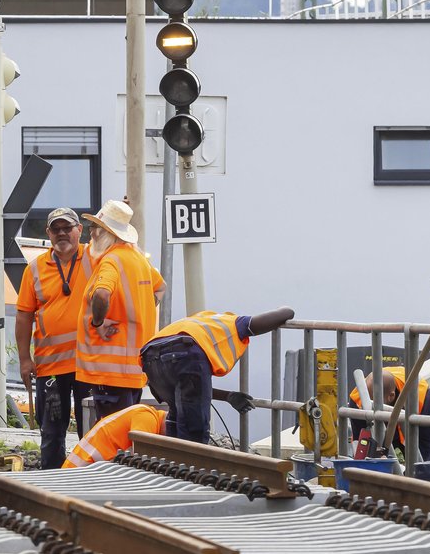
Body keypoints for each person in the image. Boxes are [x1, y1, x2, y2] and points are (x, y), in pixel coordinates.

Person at [141, 308, 295, 444]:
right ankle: (190, 470)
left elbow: (193, 388)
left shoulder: (198, 323)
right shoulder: (233, 324)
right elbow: (279, 315)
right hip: (185, 354)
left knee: (176, 418)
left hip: (150, 359)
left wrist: (228, 396)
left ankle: (172, 466)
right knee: (194, 431)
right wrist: (287, 310)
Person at [74, 199, 162, 426]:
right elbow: (160, 288)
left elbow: (101, 294)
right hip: (134, 370)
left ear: (106, 233)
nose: (91, 234)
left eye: (95, 229)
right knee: (127, 436)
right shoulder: (139, 259)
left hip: (110, 371)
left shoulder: (111, 261)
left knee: (113, 436)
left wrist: (97, 323)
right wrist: (136, 314)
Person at [15, 207, 90, 468]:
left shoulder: (95, 258)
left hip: (88, 365)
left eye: (67, 228)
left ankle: (90, 483)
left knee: (91, 433)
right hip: (52, 368)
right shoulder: (34, 269)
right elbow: (24, 316)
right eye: (56, 229)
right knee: (51, 434)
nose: (62, 233)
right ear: (48, 233)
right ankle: (52, 487)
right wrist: (25, 360)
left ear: (79, 230)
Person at [348, 367, 430, 460]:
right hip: (378, 426)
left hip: (412, 427)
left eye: (374, 402)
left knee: (423, 462)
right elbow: (360, 441)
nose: (371, 405)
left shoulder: (421, 396)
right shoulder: (358, 399)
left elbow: (427, 441)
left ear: (391, 396)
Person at [63, 402, 169, 468]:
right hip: (81, 472)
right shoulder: (147, 417)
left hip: (84, 469)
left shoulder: (144, 413)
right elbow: (141, 459)